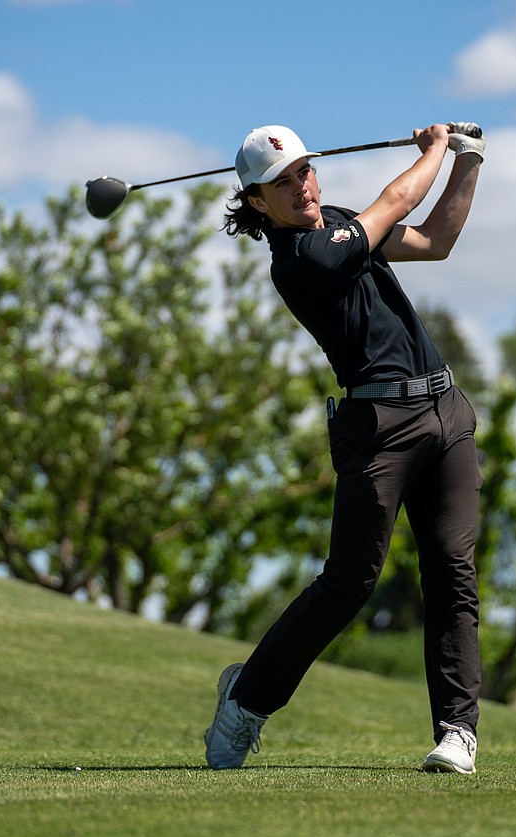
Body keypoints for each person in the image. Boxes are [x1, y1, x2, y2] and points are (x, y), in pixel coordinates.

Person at [206, 122, 485, 773]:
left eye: (304, 169)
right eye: (283, 181)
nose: (303, 185)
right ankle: (246, 701)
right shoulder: (301, 259)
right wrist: (436, 149)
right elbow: (394, 204)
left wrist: (468, 160)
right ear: (256, 202)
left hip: (446, 411)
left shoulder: (333, 223)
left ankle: (457, 732)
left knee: (453, 571)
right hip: (377, 427)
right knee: (349, 582)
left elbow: (436, 241)